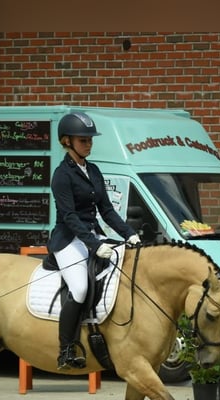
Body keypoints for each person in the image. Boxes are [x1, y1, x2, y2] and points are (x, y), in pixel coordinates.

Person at [48, 111, 140, 370]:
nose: (88, 144)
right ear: (66, 141)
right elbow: (69, 217)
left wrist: (128, 234)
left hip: (93, 235)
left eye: (90, 140)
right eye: (82, 140)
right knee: (79, 288)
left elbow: (107, 210)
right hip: (68, 240)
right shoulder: (61, 175)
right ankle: (66, 349)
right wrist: (95, 245)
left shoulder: (94, 170)